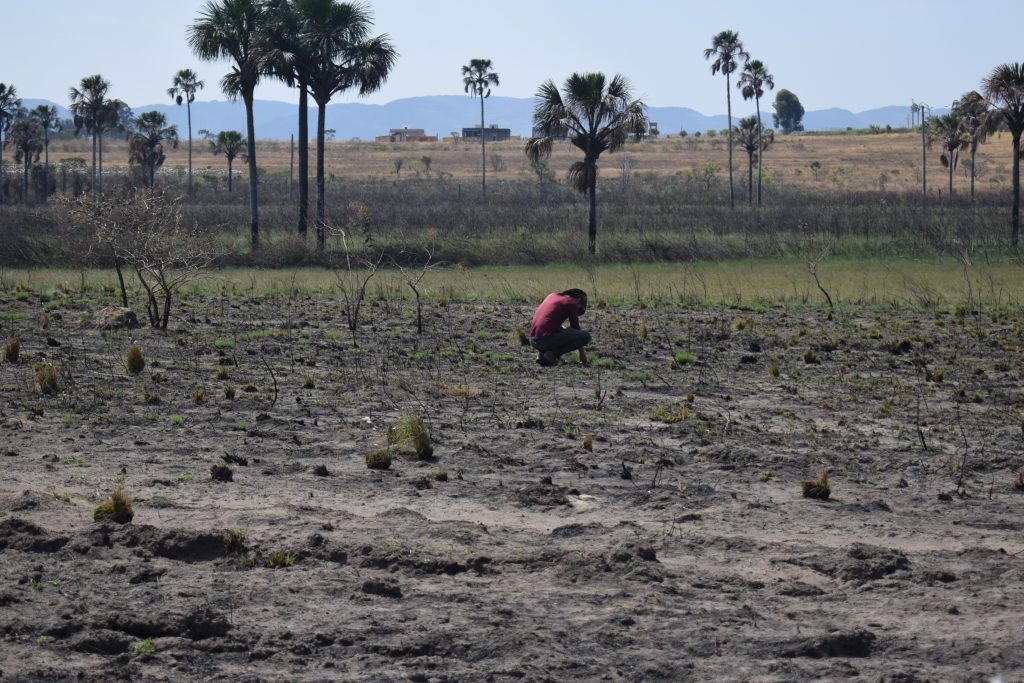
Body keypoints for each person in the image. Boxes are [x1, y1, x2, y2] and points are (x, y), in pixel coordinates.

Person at [527, 288, 591, 367]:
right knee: (585, 336)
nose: (577, 311)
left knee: (558, 333)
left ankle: (541, 354)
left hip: (533, 340)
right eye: (579, 308)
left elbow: (548, 322)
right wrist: (582, 356)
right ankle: (551, 355)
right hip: (544, 341)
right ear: (578, 300)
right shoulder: (571, 303)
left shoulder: (552, 296)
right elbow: (576, 329)